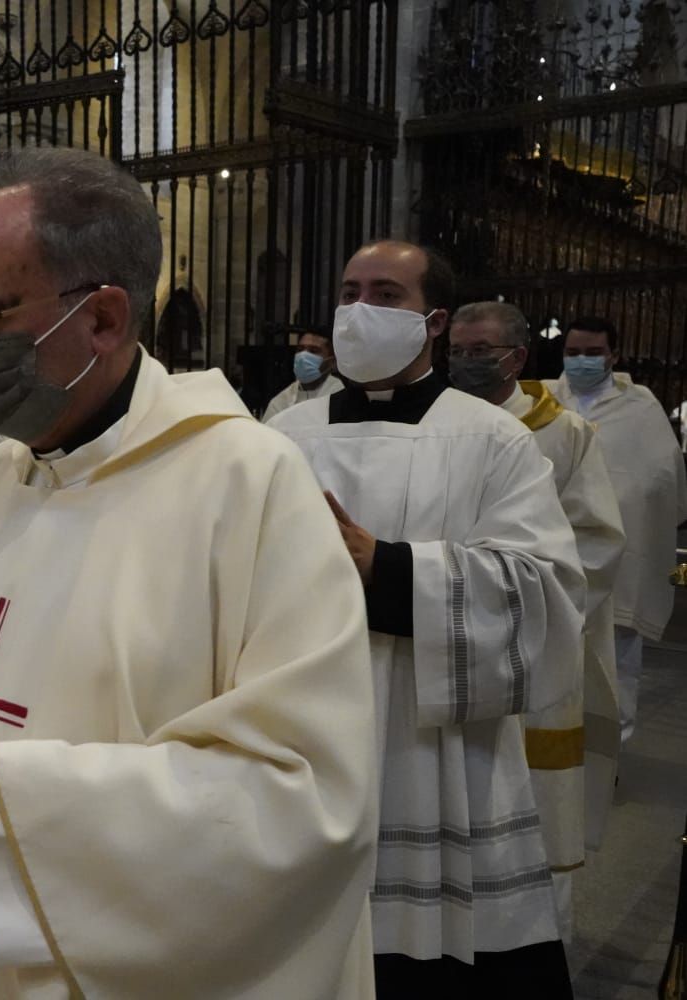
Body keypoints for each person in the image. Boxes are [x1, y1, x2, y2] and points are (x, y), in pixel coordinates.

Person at [0, 147, 380, 998]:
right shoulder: (4, 468)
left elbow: (303, 796)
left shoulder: (246, 485)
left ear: (102, 318)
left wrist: (1, 804)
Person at [270, 242, 586, 995]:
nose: (359, 310)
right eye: (349, 292)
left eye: (387, 294)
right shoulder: (282, 436)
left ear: (433, 320)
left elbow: (543, 590)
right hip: (306, 724)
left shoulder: (491, 438)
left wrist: (385, 564)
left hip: (436, 744)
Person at [448, 301, 626, 947]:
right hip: (453, 632)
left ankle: (539, 945)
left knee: (538, 812)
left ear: (518, 358)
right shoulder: (439, 425)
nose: (466, 361)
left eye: (481, 350)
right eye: (458, 350)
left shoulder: (566, 434)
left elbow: (598, 539)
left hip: (537, 643)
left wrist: (517, 593)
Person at [545, 317, 687, 744]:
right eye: (573, 353)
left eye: (592, 353)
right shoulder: (543, 400)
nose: (581, 361)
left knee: (616, 659)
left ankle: (611, 751)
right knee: (551, 652)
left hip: (623, 557)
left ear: (614, 356)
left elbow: (664, 479)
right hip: (554, 547)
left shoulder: (640, 406)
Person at [261, 327, 343, 420]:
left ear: (331, 362)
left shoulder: (340, 397)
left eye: (313, 351)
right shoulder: (280, 402)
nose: (303, 356)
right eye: (300, 349)